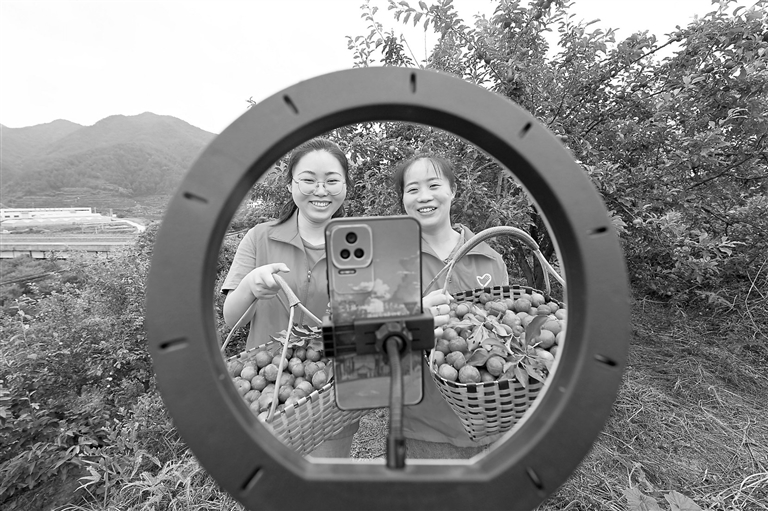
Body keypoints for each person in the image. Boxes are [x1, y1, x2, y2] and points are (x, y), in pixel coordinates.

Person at [221, 138, 451, 458]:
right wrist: (249, 286)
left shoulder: (363, 247)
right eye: (308, 180)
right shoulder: (260, 237)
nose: (321, 190)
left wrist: (411, 312)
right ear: (290, 185)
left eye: (331, 180)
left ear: (345, 186)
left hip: (331, 403)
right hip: (265, 400)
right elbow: (230, 318)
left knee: (324, 481)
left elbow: (378, 324)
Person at [392, 153, 510, 459]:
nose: (424, 196)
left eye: (434, 185)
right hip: (425, 429)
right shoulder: (391, 263)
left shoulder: (489, 259)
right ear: (403, 198)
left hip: (495, 423)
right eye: (413, 189)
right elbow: (373, 344)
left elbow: (509, 337)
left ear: (453, 190)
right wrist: (409, 320)